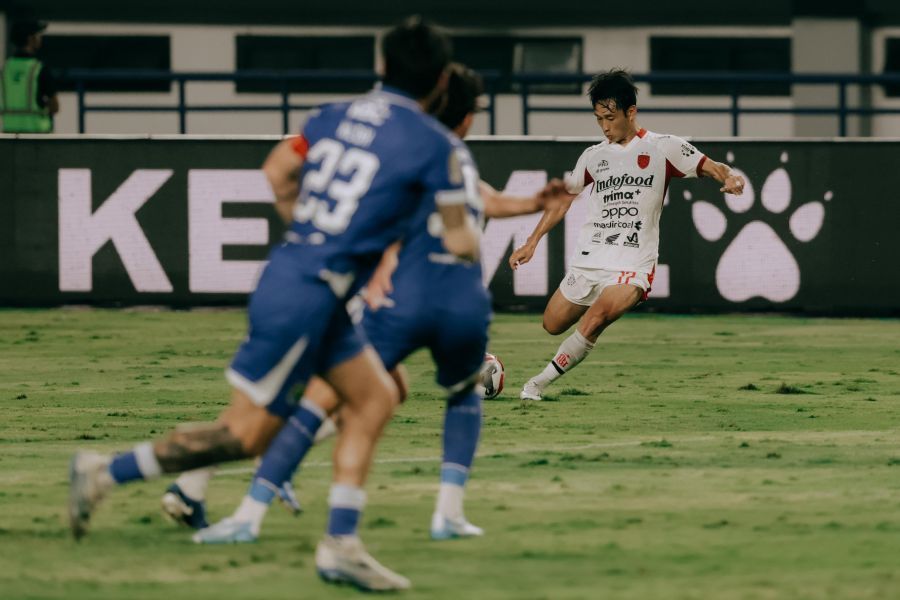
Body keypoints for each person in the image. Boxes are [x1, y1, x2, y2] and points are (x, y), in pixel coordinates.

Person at [68, 17, 480, 592]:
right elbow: (460, 241)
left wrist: (311, 235)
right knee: (244, 436)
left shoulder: (329, 115)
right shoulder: (436, 144)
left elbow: (277, 171)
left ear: (382, 66)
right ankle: (104, 472)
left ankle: (342, 544)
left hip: (304, 281)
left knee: (378, 395)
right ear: (440, 82)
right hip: (310, 295)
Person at [163, 63, 572, 544]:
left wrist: (527, 204)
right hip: (359, 295)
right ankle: (203, 479)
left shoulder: (421, 147)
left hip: (362, 294)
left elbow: (475, 199)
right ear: (465, 114)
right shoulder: (419, 151)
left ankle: (218, 480)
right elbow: (439, 216)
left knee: (372, 392)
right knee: (314, 400)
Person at [510, 69, 745, 401]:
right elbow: (564, 199)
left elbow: (712, 166)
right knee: (552, 323)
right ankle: (589, 307)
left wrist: (731, 177)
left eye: (610, 117)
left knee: (596, 319)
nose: (605, 126)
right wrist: (532, 241)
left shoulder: (663, 147)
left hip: (633, 262)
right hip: (591, 257)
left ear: (630, 111)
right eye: (598, 119)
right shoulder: (594, 156)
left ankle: (536, 384)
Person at [1, 19, 58, 133]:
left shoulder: (5, 69)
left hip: (9, 136)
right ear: (30, 39)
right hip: (36, 138)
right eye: (38, 35)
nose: (40, 38)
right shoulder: (39, 69)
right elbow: (55, 107)